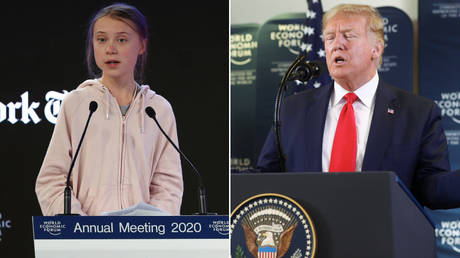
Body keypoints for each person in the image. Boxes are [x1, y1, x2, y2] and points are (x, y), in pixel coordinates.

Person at [256, 4, 460, 209]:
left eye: (348, 36)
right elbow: (264, 178)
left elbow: (432, 189)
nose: (337, 44)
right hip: (311, 236)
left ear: (376, 48)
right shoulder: (293, 110)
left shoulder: (417, 113)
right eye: (329, 37)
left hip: (381, 235)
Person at [35, 3, 183, 216]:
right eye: (101, 39)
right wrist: (80, 226)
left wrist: (150, 228)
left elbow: (168, 185)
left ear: (142, 45)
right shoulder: (76, 104)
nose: (110, 48)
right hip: (86, 240)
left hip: (141, 240)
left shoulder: (159, 109)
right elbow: (52, 180)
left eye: (121, 39)